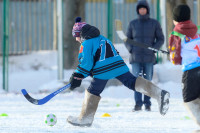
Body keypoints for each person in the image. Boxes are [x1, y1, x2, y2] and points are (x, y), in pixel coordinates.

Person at [67, 17, 170, 127]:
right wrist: (81, 75)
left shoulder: (86, 43)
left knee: (93, 91)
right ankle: (159, 94)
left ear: (80, 34)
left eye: (76, 36)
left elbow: (86, 64)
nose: (76, 39)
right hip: (118, 65)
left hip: (103, 69)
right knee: (132, 82)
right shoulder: (102, 38)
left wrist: (77, 76)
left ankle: (85, 119)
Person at [125, 0, 164, 112]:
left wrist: (155, 48)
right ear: (138, 10)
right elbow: (127, 39)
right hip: (136, 57)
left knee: (147, 81)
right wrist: (131, 49)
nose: (142, 10)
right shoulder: (133, 23)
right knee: (137, 81)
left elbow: (161, 38)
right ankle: (138, 104)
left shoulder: (154, 23)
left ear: (147, 10)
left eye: (144, 8)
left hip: (149, 58)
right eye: (140, 9)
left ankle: (147, 104)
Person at [168, 4, 200, 127]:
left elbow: (174, 59)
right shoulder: (198, 29)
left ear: (176, 19)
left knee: (190, 100)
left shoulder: (176, 34)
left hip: (190, 72)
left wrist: (175, 57)